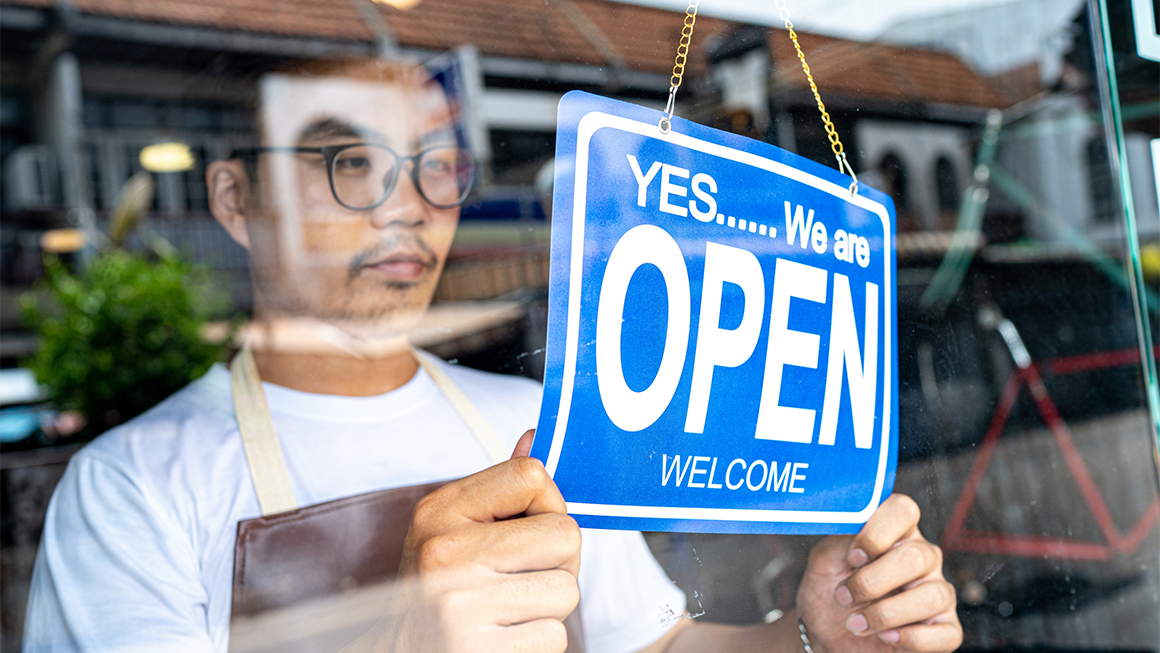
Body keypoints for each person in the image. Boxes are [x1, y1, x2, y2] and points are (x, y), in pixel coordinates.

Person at [23, 58, 961, 653]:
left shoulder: (540, 418)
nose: (408, 206)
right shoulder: (130, 489)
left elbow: (659, 645)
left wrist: (813, 633)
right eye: (351, 162)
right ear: (235, 199)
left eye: (438, 166)